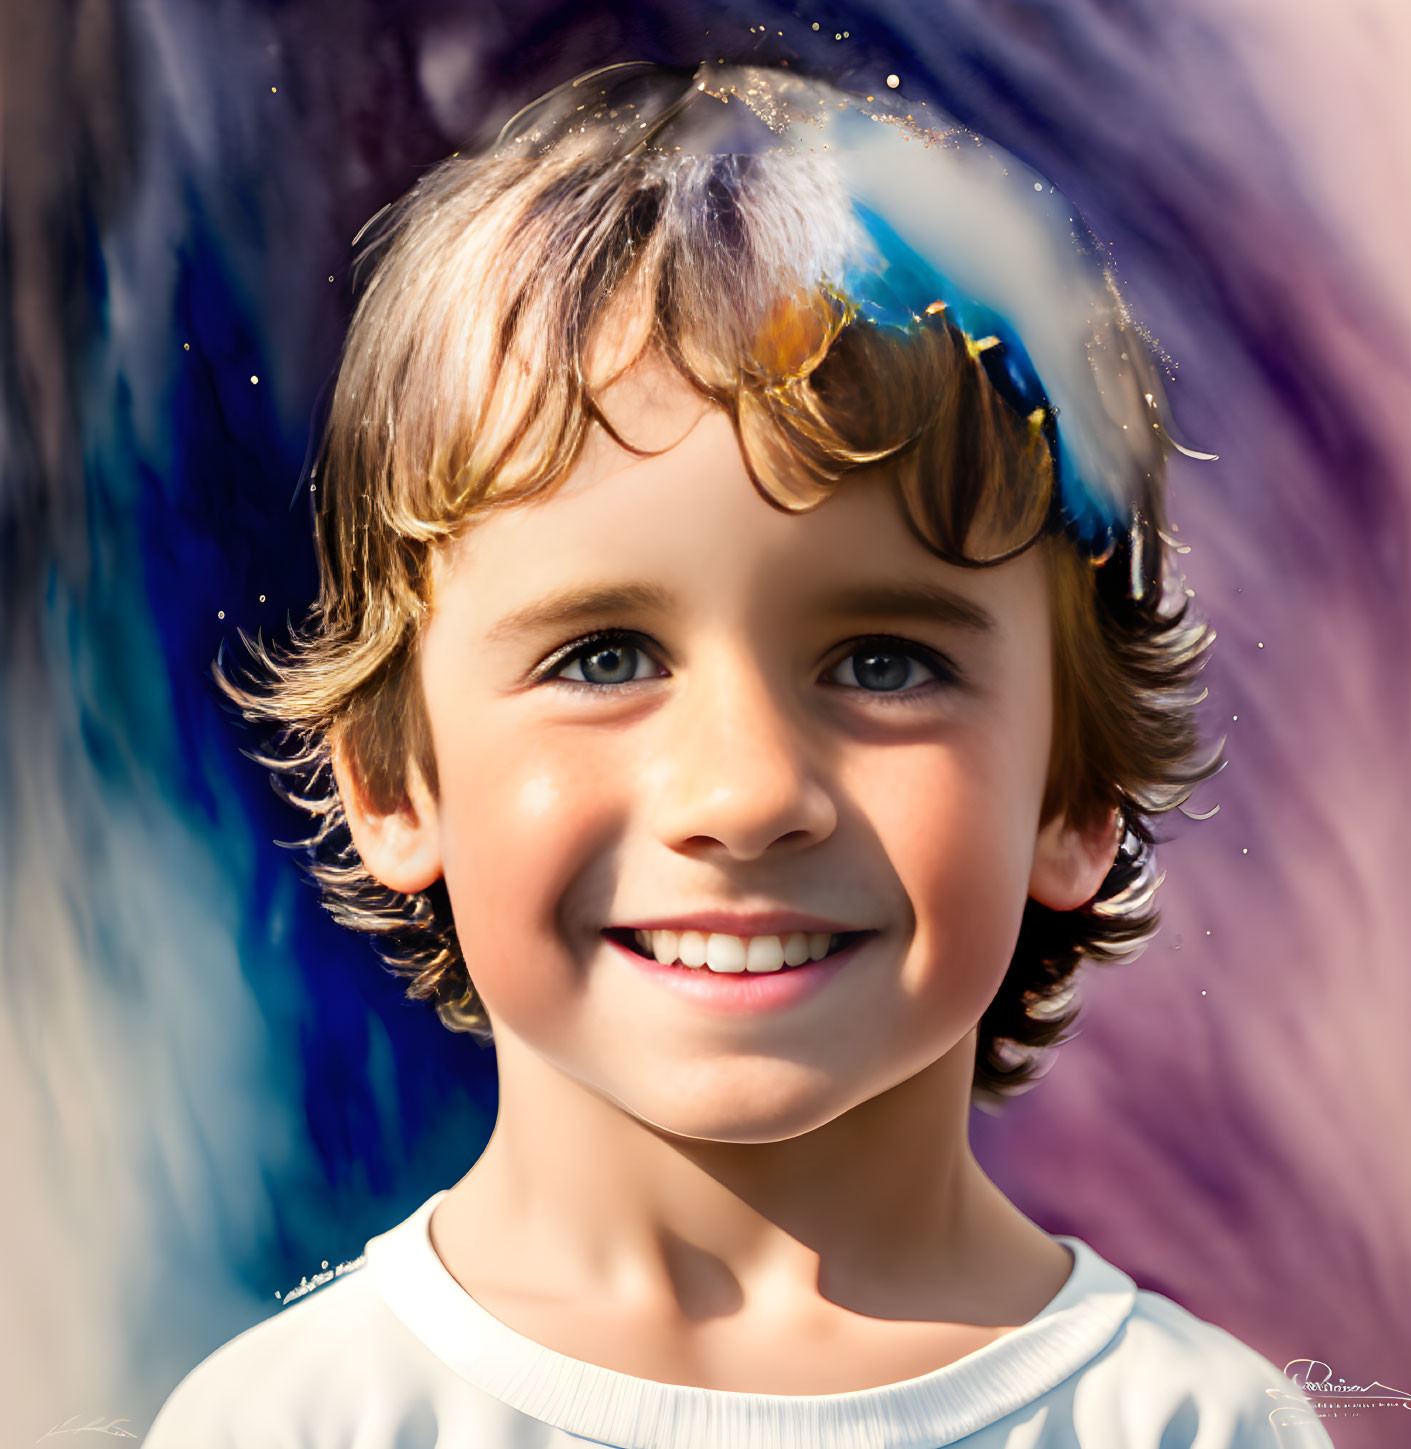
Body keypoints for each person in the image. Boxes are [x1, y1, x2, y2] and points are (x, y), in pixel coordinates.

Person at [142, 61, 1334, 1449]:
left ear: (1074, 790)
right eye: (601, 655)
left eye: (884, 660)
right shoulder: (289, 1426)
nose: (745, 792)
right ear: (397, 781)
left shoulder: (1189, 1427)